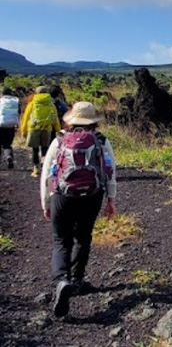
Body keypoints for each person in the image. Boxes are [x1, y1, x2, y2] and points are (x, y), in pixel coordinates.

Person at [40, 101, 117, 318]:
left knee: (61, 240)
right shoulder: (101, 141)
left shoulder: (59, 140)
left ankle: (61, 280)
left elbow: (47, 173)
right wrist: (111, 199)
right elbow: (110, 171)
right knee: (83, 236)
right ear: (93, 121)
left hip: (62, 196)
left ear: (71, 120)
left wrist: (46, 202)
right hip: (92, 195)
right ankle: (77, 279)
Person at [20, 86, 61, 177]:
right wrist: (58, 130)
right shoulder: (51, 104)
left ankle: (36, 169)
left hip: (33, 128)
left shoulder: (32, 104)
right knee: (44, 148)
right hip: (47, 129)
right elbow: (55, 119)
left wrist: (23, 131)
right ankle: (44, 167)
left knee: (35, 150)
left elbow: (25, 118)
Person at [0, 87, 20, 169]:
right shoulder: (16, 101)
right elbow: (18, 112)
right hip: (11, 125)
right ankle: (8, 156)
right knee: (7, 144)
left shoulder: (1, 101)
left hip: (0, 125)